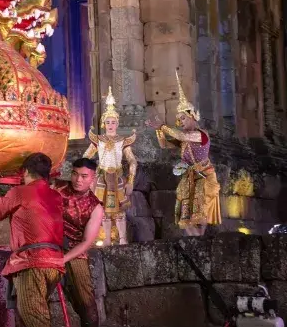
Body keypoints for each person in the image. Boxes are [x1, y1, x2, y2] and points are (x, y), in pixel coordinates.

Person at [0, 152, 67, 327]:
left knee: (33, 310)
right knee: (28, 307)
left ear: (25, 172)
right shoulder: (56, 195)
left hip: (32, 260)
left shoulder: (20, 192)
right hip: (54, 261)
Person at [147, 70, 221, 236]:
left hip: (204, 175)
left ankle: (200, 239)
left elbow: (180, 135)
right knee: (184, 210)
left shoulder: (200, 134)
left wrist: (163, 126)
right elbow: (164, 145)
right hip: (189, 176)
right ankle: (193, 240)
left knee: (200, 210)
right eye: (178, 119)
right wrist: (158, 131)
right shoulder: (185, 138)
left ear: (193, 116)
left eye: (183, 118)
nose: (180, 122)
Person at [56, 157, 107, 327]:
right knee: (36, 295)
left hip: (75, 250)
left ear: (93, 178)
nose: (78, 180)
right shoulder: (57, 188)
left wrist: (64, 259)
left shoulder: (95, 207)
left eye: (84, 176)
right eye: (75, 174)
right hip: (50, 243)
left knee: (86, 298)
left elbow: (87, 242)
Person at [84, 88, 137, 245]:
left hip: (118, 178)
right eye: (108, 122)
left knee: (119, 211)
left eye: (113, 122)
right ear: (103, 123)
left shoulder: (123, 140)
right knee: (104, 211)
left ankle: (122, 239)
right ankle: (106, 239)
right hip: (102, 178)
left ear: (117, 123)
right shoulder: (98, 140)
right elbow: (86, 157)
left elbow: (132, 161)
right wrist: (89, 177)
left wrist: (131, 180)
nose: (110, 125)